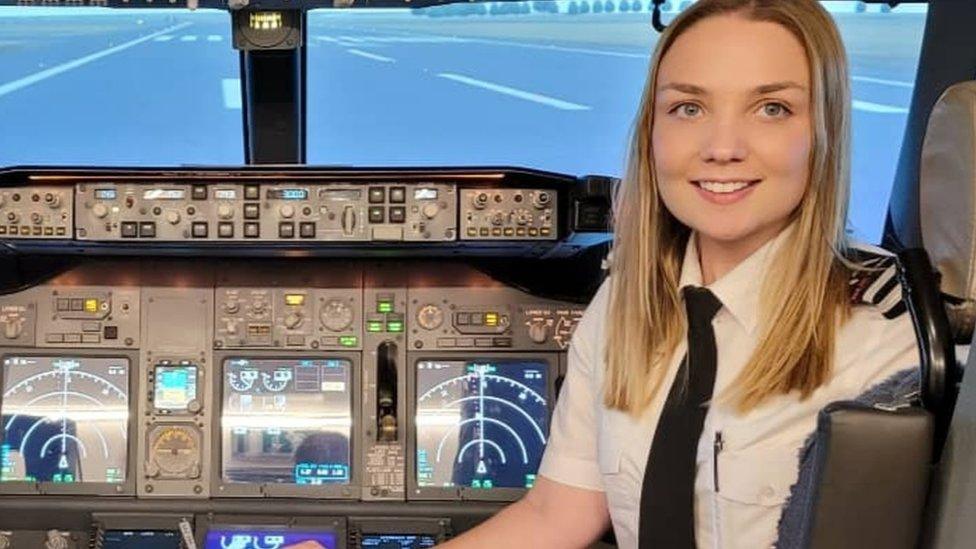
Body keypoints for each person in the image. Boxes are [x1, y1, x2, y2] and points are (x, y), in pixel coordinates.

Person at [284, 0, 918, 547]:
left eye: (772, 108)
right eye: (689, 108)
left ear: (825, 130)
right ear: (652, 132)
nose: (722, 146)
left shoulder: (892, 337)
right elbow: (558, 515)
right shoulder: (624, 308)